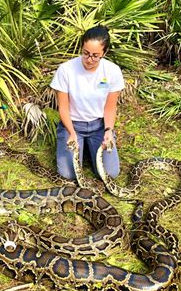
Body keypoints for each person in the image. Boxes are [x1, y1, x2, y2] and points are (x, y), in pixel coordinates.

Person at [50, 25, 125, 180]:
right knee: (67, 174)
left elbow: (110, 108)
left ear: (105, 53)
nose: (89, 59)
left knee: (110, 174)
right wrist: (71, 133)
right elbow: (63, 107)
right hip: (73, 124)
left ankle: (90, 150)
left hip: (99, 126)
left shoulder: (112, 71)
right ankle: (82, 148)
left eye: (95, 55)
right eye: (86, 53)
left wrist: (108, 131)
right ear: (81, 48)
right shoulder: (65, 70)